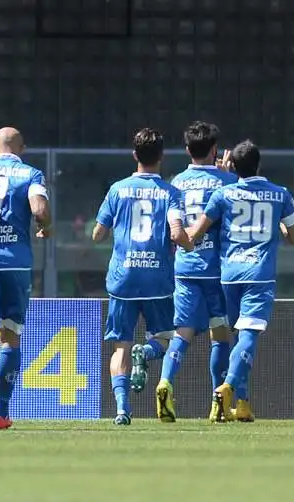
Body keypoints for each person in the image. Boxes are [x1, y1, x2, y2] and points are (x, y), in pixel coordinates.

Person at [188, 140, 294, 422]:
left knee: (237, 339)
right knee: (248, 336)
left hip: (229, 276)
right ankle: (227, 387)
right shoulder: (280, 194)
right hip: (259, 276)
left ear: (233, 167)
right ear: (259, 163)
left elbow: (197, 233)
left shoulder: (223, 195)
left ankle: (244, 404)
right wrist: (277, 223)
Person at [92, 128, 192, 426]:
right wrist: (187, 242)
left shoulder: (118, 189)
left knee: (120, 346)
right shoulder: (171, 193)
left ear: (135, 155)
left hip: (123, 278)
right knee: (165, 338)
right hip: (157, 280)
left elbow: (98, 234)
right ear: (161, 156)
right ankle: (145, 353)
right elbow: (176, 232)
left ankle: (123, 410)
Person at [0, 127, 51, 430]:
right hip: (16, 263)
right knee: (10, 335)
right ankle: (2, 413)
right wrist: (45, 226)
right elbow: (39, 210)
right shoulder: (30, 174)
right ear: (22, 148)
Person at [157, 122, 239, 422]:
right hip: (216, 269)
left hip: (185, 266)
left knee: (182, 333)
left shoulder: (176, 181)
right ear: (215, 149)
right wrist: (230, 172)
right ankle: (219, 399)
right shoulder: (229, 181)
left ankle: (165, 381)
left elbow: (172, 228)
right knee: (221, 336)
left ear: (188, 149)